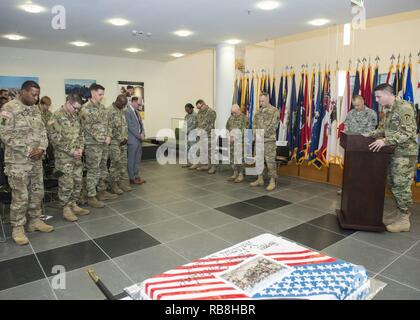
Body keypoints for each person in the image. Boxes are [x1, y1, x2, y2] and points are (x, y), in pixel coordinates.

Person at [0, 80, 54, 245]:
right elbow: (5, 134)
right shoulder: (9, 109)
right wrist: (28, 150)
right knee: (20, 196)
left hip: (36, 161)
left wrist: (42, 149)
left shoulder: (36, 110)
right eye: (33, 94)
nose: (36, 97)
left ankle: (35, 221)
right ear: (23, 92)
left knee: (37, 193)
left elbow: (43, 132)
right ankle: (17, 228)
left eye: (38, 94)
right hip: (18, 163)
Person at [368, 83, 418, 233]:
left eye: (378, 96)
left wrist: (385, 141)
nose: (376, 100)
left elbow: (408, 131)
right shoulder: (388, 109)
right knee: (392, 183)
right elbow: (383, 128)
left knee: (400, 185)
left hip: (405, 153)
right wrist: (368, 135)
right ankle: (398, 214)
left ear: (388, 94)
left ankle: (404, 219)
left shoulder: (404, 107)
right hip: (392, 152)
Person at [47, 93, 90, 222]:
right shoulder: (56, 116)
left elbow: (81, 134)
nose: (76, 110)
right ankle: (66, 208)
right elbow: (54, 138)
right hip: (64, 158)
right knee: (66, 183)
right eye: (75, 108)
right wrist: (71, 151)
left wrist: (81, 148)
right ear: (68, 102)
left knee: (77, 181)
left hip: (77, 156)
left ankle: (74, 204)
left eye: (78, 108)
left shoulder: (76, 116)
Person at [80, 84, 118, 208]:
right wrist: (103, 137)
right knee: (93, 170)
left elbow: (109, 124)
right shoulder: (85, 108)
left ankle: (102, 191)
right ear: (92, 93)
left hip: (104, 144)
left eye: (103, 94)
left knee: (103, 168)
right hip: (92, 145)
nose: (102, 97)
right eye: (100, 94)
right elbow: (87, 127)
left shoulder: (103, 108)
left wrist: (109, 136)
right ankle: (91, 196)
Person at [337, 95, 378, 195]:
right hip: (351, 147)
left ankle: (361, 191)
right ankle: (346, 189)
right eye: (354, 105)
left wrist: (357, 137)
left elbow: (371, 130)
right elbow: (347, 127)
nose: (356, 108)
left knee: (363, 171)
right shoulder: (351, 113)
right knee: (349, 170)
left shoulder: (371, 113)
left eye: (358, 105)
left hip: (364, 148)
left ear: (363, 101)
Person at [250, 92, 280, 191]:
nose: (261, 103)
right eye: (260, 101)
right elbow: (254, 124)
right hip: (258, 140)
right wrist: (256, 134)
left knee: (270, 162)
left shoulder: (274, 111)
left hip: (268, 141)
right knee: (258, 160)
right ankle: (260, 179)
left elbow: (274, 126)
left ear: (268, 99)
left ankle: (272, 181)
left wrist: (262, 135)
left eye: (263, 101)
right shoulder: (258, 112)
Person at [108, 94, 132, 194]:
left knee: (123, 164)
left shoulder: (121, 111)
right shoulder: (109, 111)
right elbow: (107, 128)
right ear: (117, 101)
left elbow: (124, 126)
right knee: (115, 164)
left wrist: (125, 138)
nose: (123, 106)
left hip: (123, 143)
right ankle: (113, 185)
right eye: (122, 104)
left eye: (125, 105)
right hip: (114, 143)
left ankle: (121, 183)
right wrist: (117, 140)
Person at [190, 99, 217, 174]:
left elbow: (210, 125)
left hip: (209, 135)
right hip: (201, 135)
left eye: (200, 107)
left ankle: (213, 167)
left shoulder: (211, 112)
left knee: (211, 151)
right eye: (198, 108)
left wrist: (202, 132)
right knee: (204, 151)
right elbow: (198, 123)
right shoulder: (200, 112)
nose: (199, 109)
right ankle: (208, 165)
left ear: (204, 104)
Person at [226, 104, 250, 183]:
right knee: (232, 158)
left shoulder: (245, 118)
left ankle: (240, 174)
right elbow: (227, 127)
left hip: (241, 142)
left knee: (240, 159)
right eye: (232, 113)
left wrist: (235, 137)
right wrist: (229, 136)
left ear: (239, 110)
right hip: (231, 142)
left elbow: (244, 130)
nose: (233, 114)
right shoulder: (231, 118)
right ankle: (235, 172)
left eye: (235, 113)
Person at [126, 96, 146, 184]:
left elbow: (141, 124)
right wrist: (139, 136)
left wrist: (143, 133)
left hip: (139, 139)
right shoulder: (127, 112)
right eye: (138, 104)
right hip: (132, 140)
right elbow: (130, 126)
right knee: (131, 159)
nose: (139, 106)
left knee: (137, 159)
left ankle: (136, 176)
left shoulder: (137, 112)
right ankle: (131, 177)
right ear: (133, 102)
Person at [182, 103, 197, 168]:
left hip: (193, 134)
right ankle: (189, 162)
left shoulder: (195, 115)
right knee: (187, 149)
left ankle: (194, 163)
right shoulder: (186, 116)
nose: (187, 111)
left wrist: (187, 131)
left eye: (187, 109)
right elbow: (184, 124)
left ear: (191, 108)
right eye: (186, 110)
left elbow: (194, 125)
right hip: (187, 135)